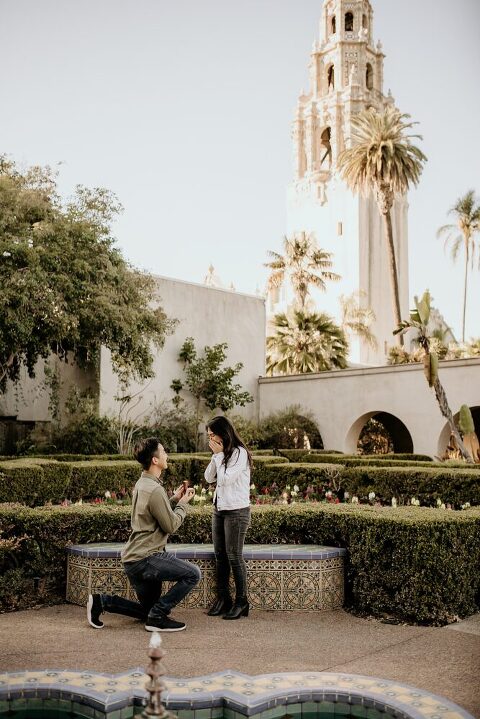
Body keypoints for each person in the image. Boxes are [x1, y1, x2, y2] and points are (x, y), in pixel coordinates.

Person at [87, 437, 199, 632]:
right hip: (147, 558)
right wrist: (182, 505)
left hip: (133, 559)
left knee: (147, 610)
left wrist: (172, 499)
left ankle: (102, 601)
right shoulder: (155, 489)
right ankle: (158, 616)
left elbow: (153, 511)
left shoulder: (142, 483)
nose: (166, 455)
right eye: (163, 451)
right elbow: (171, 525)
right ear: (155, 460)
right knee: (193, 574)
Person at [204, 416, 252, 620]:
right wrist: (216, 456)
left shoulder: (239, 454)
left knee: (234, 556)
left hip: (236, 511)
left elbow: (226, 479)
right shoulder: (220, 454)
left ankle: (242, 602)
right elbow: (209, 478)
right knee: (220, 556)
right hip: (219, 508)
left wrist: (218, 455)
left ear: (223, 433)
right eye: (208, 436)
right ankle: (224, 599)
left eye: (212, 435)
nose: (210, 439)